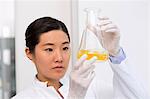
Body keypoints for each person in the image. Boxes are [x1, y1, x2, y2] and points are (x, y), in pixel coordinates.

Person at [12, 16, 148, 99]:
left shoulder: (92, 86)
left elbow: (137, 97)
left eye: (65, 48)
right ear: (29, 53)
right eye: (49, 49)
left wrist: (116, 52)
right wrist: (75, 96)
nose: (59, 57)